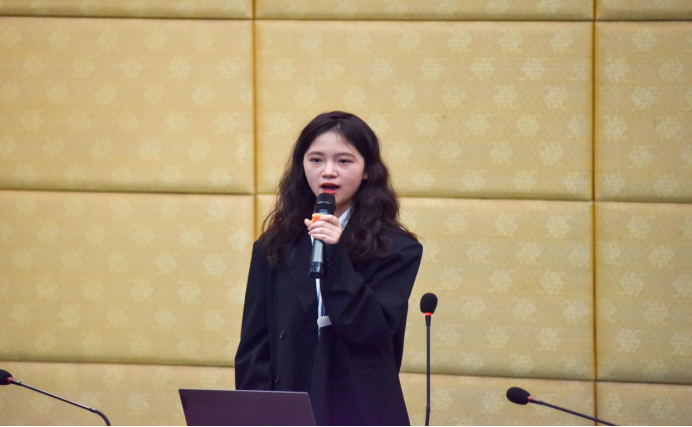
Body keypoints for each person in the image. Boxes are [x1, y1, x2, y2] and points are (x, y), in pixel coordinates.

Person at [235, 111, 424, 426]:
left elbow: (368, 330)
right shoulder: (275, 244)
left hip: (361, 406)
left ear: (367, 170)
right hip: (291, 399)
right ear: (302, 166)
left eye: (344, 161)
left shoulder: (397, 248)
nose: (328, 171)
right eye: (316, 160)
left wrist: (335, 254)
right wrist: (256, 412)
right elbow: (255, 345)